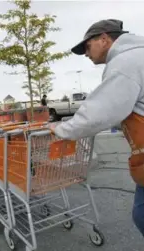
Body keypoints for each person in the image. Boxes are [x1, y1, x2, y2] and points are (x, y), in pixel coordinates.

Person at [49, 19, 144, 236]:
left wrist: (61, 129)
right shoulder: (137, 55)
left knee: (142, 214)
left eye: (87, 47)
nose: (86, 53)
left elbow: (99, 113)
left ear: (104, 39)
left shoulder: (125, 62)